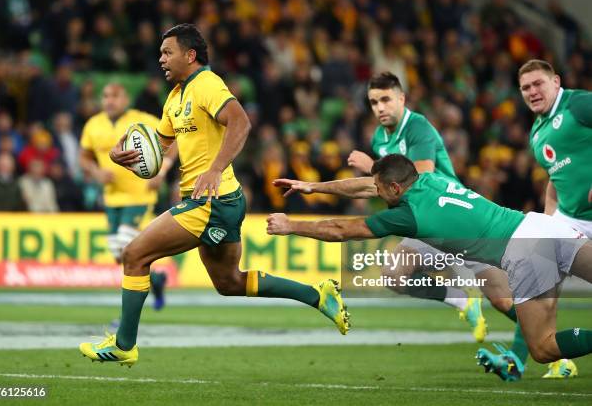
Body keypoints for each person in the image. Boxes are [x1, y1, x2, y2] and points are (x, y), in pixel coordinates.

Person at [273, 72, 575, 380]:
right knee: (487, 296)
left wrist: (359, 173)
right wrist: (316, 187)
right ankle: (540, 347)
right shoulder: (381, 137)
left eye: (386, 99)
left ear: (402, 99)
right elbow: (374, 186)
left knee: (487, 294)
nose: (380, 107)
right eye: (374, 102)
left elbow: (416, 182)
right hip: (448, 227)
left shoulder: (417, 129)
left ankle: (537, 346)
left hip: (447, 220)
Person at [79, 24, 349, 367]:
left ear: (190, 55)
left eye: (167, 52)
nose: (161, 58)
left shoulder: (206, 83)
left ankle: (124, 344)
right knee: (230, 282)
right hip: (216, 200)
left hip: (210, 200)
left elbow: (241, 122)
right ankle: (317, 295)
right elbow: (159, 148)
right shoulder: (176, 97)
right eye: (160, 53)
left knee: (134, 255)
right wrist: (123, 160)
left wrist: (216, 167)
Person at [268, 154, 592, 381]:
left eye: (380, 190)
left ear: (395, 189)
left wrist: (291, 225)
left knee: (542, 347)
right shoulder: (428, 179)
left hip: (524, 253)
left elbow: (341, 230)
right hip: (541, 227)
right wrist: (315, 187)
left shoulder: (408, 216)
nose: (375, 193)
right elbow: (366, 185)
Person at [474, 59, 592, 379]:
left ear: (556, 81)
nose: (532, 91)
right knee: (534, 291)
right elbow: (556, 179)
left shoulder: (578, 104)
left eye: (538, 83)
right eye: (525, 87)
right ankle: (516, 359)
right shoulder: (537, 134)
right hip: (570, 221)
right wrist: (550, 218)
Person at [79, 83, 176, 310]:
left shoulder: (143, 121)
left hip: (139, 196)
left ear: (126, 99)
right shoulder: (93, 125)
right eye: (105, 96)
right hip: (111, 198)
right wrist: (95, 172)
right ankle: (156, 280)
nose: (109, 100)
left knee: (127, 248)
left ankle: (127, 314)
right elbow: (84, 157)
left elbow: (174, 141)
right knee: (120, 255)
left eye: (115, 96)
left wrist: (162, 171)